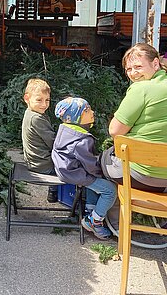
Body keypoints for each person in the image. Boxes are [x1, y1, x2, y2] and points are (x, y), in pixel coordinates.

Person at [102, 43, 167, 195]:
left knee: (102, 160)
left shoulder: (141, 88)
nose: (133, 73)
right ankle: (163, 219)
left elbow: (115, 131)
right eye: (129, 69)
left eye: (138, 67)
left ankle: (101, 216)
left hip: (148, 177)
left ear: (155, 63)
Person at [52, 97, 117, 240]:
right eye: (87, 110)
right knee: (110, 190)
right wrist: (103, 171)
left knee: (94, 183)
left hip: (65, 169)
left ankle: (91, 211)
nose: (92, 111)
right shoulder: (81, 139)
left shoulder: (66, 129)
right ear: (76, 117)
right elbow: (90, 165)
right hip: (75, 173)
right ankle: (94, 221)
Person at [21, 78, 58, 203]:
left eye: (47, 100)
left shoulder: (29, 113)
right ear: (27, 98)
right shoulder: (37, 118)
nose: (44, 104)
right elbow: (53, 143)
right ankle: (56, 192)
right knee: (74, 166)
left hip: (33, 161)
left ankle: (54, 191)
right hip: (42, 165)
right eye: (39, 100)